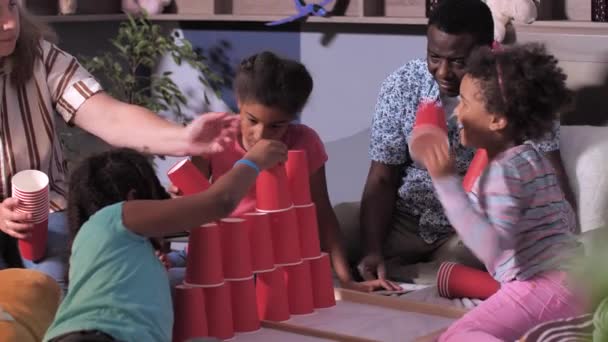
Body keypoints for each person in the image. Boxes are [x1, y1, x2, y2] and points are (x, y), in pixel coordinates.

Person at [0, 0, 238, 293]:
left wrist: (185, 138)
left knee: (57, 290)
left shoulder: (39, 56)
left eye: (11, 6)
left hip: (46, 212)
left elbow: (110, 117)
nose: (9, 22)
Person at [356, 0, 575, 285]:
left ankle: (421, 274)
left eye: (459, 62)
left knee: (465, 261)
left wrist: (567, 247)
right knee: (337, 230)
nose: (443, 72)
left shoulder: (516, 90)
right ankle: (404, 269)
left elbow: (551, 177)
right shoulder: (402, 85)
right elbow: (382, 177)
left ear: (486, 52)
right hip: (408, 216)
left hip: (468, 228)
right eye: (434, 57)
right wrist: (371, 249)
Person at [170, 51, 399, 292]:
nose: (261, 134)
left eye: (277, 126)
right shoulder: (217, 134)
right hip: (217, 254)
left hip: (274, 260)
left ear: (292, 118)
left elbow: (321, 210)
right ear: (239, 101)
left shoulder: (304, 142)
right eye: (252, 120)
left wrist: (346, 280)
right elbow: (194, 201)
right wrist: (180, 199)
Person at [420, 43, 582, 341]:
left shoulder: (501, 174)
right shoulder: (532, 157)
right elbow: (566, 220)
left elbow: (492, 247)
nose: (457, 113)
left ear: (497, 119)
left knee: (458, 335)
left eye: (466, 103)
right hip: (576, 278)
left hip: (544, 287)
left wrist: (445, 182)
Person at [44, 143, 286, 342]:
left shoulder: (93, 246)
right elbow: (219, 202)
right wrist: (252, 161)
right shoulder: (115, 215)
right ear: (134, 198)